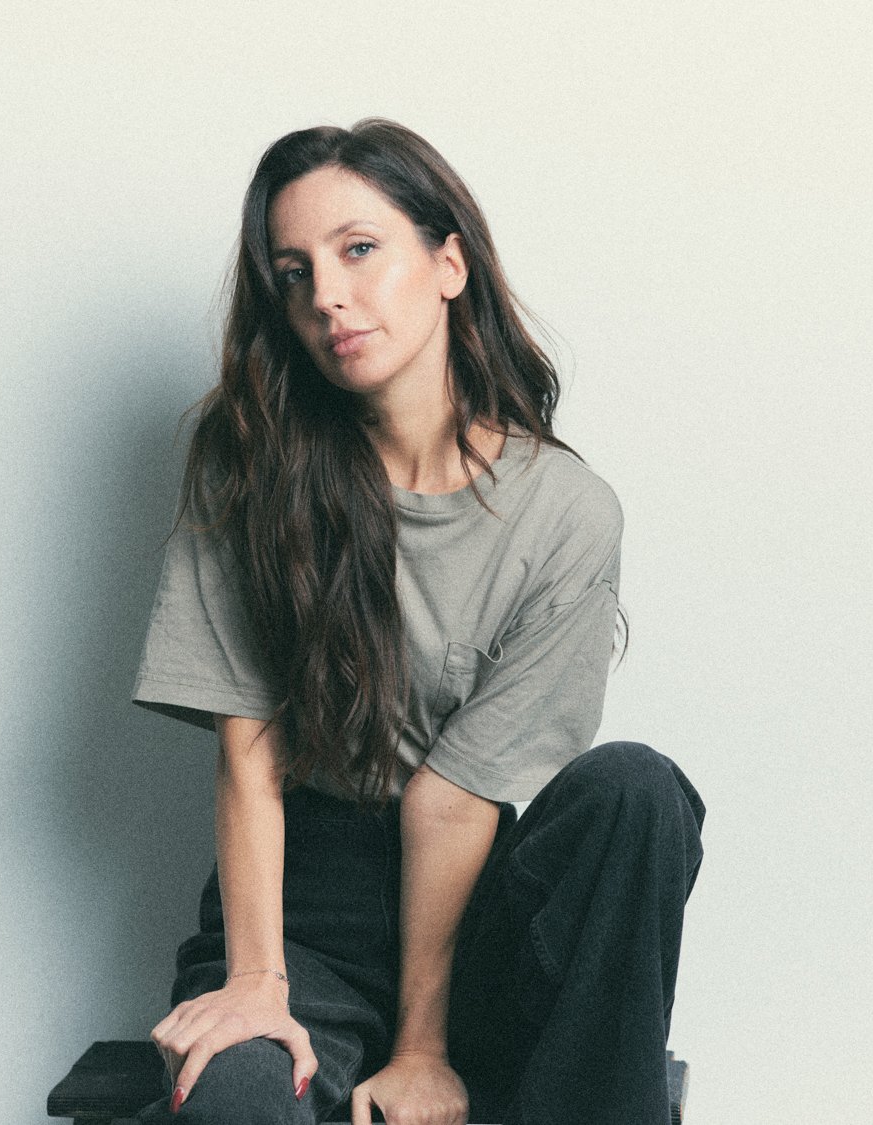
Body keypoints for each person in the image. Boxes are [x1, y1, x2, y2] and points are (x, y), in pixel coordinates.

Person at [129, 119, 705, 1125]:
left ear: (449, 263)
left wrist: (423, 1050)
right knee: (236, 1098)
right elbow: (249, 755)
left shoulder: (563, 511)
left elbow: (451, 801)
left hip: (478, 906)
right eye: (294, 273)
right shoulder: (250, 459)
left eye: (358, 249)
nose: (327, 295)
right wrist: (258, 981)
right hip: (304, 914)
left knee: (636, 790)